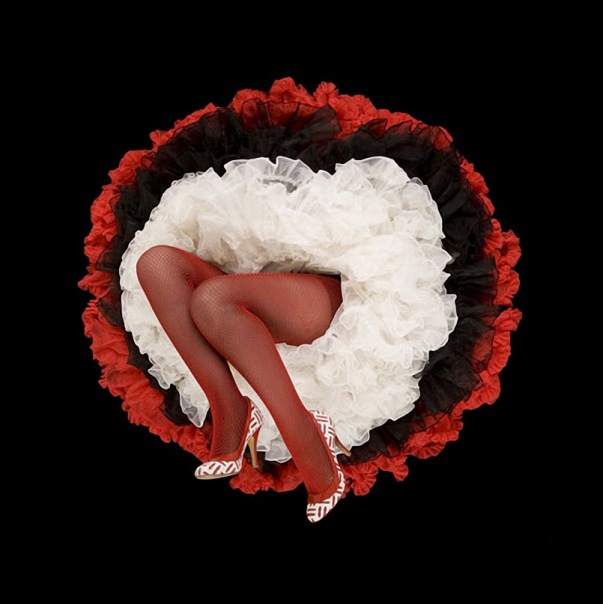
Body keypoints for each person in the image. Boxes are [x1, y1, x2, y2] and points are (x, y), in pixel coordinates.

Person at [135, 244, 351, 523]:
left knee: (213, 298)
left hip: (320, 289)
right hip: (242, 283)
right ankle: (230, 408)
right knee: (156, 263)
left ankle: (304, 431)